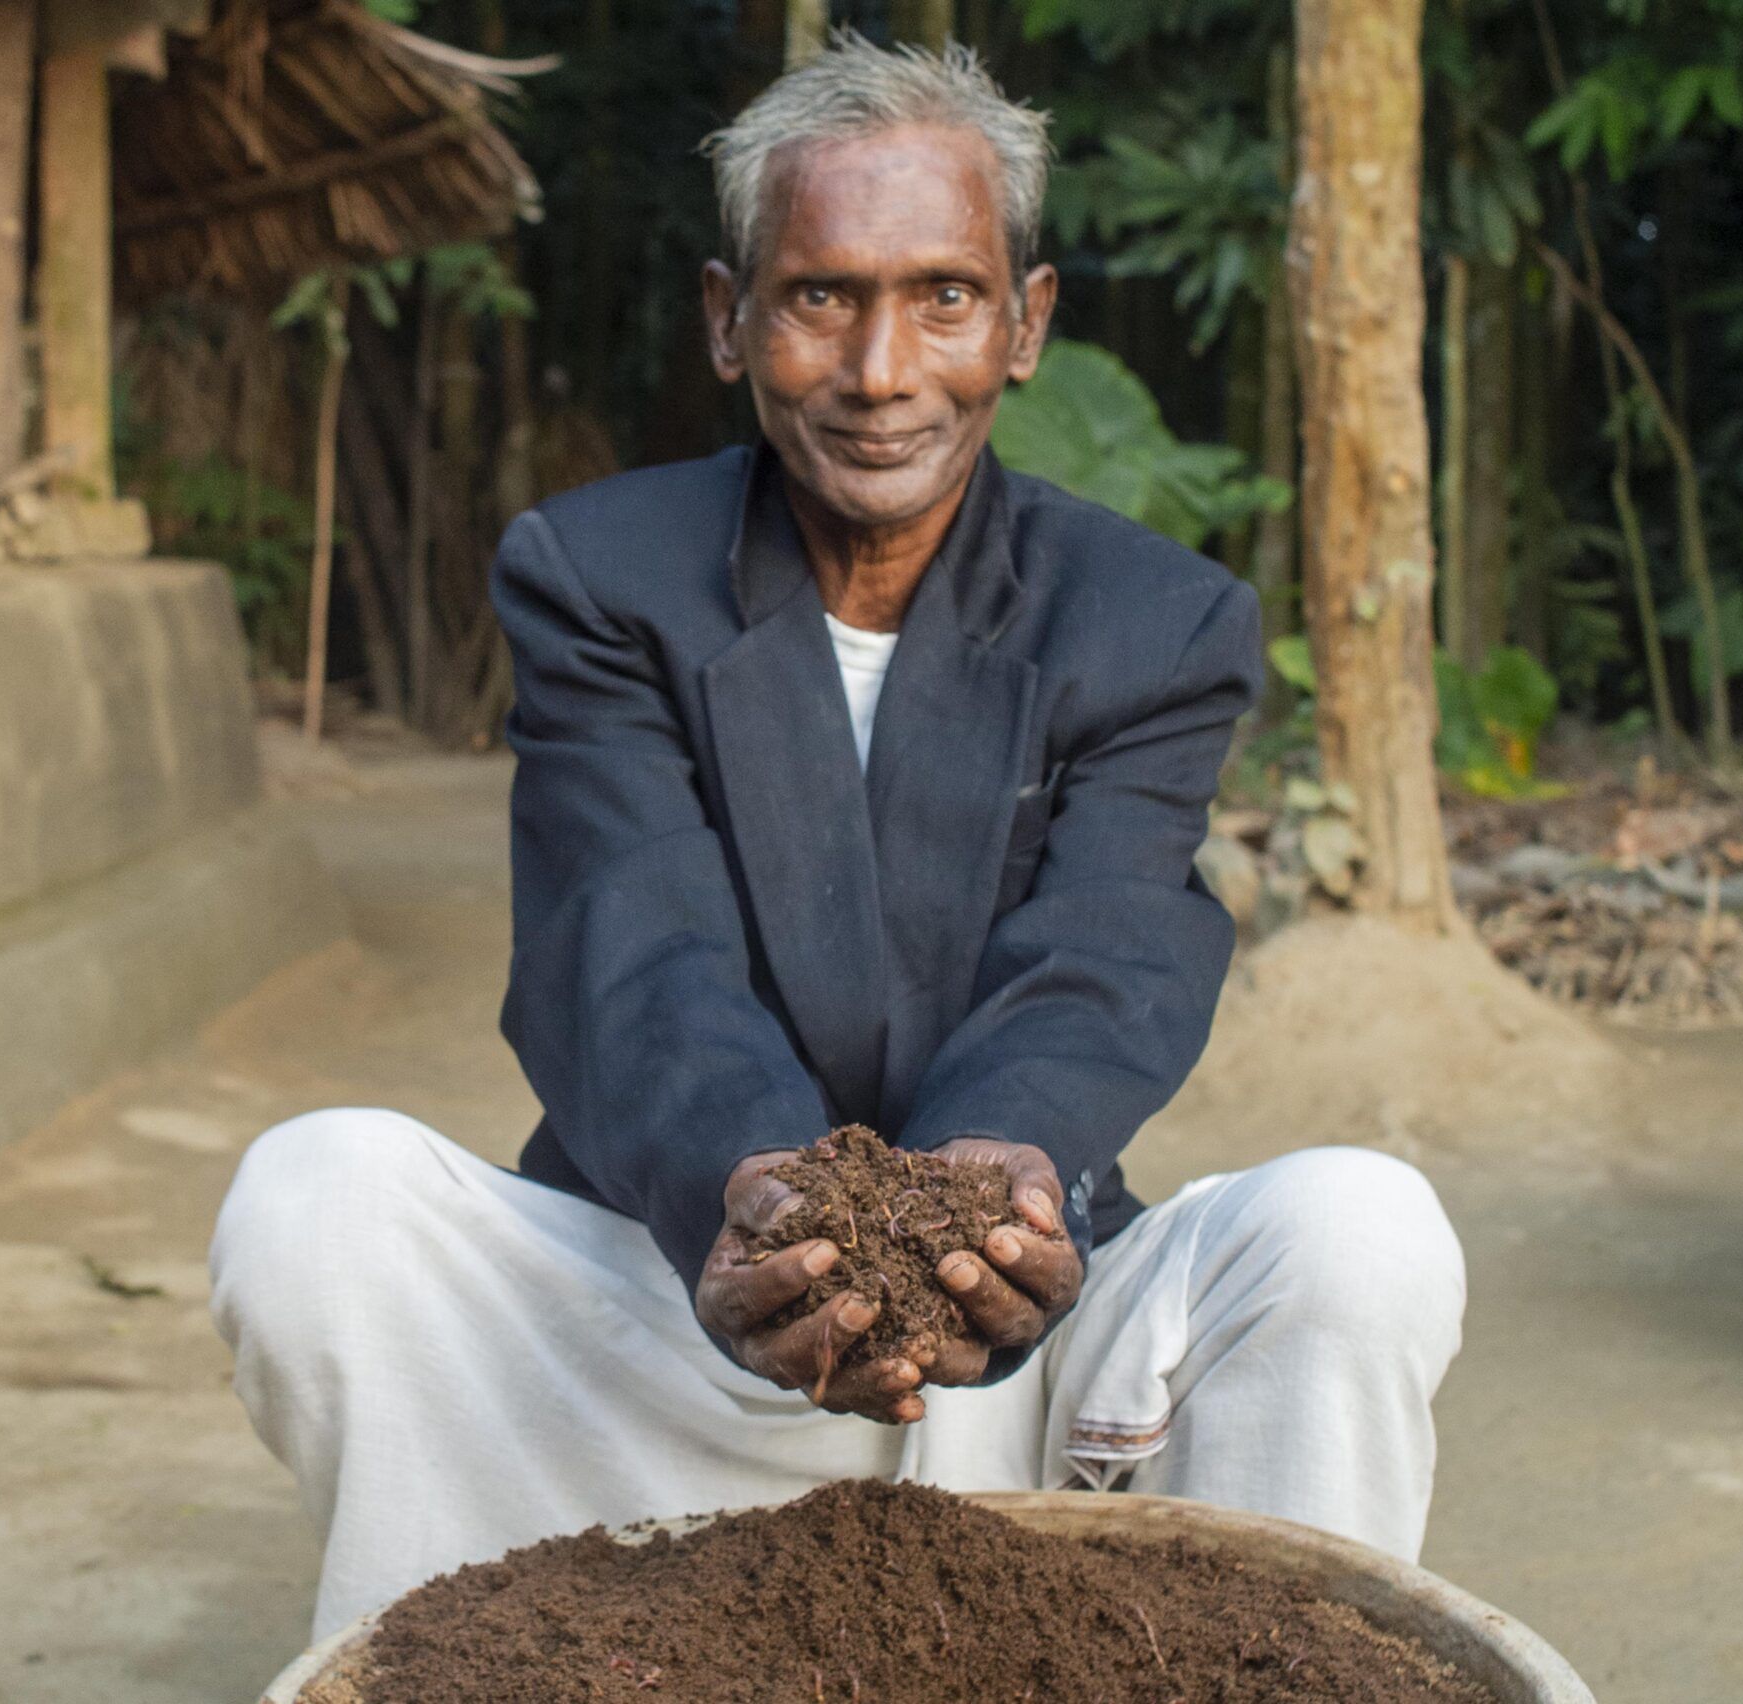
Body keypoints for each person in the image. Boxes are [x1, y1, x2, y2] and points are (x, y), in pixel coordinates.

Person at [211, 33, 1466, 1642]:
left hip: (1013, 1335)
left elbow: (1107, 951)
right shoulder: (602, 576)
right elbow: (630, 938)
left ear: (1027, 325)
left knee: (1362, 1233)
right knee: (314, 1200)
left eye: (945, 295)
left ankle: (1260, 1667)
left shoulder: (1155, 620)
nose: (882, 371)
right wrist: (763, 1204)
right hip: (684, 1306)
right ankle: (479, 1654)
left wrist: (990, 1193)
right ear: (731, 321)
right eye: (822, 298)